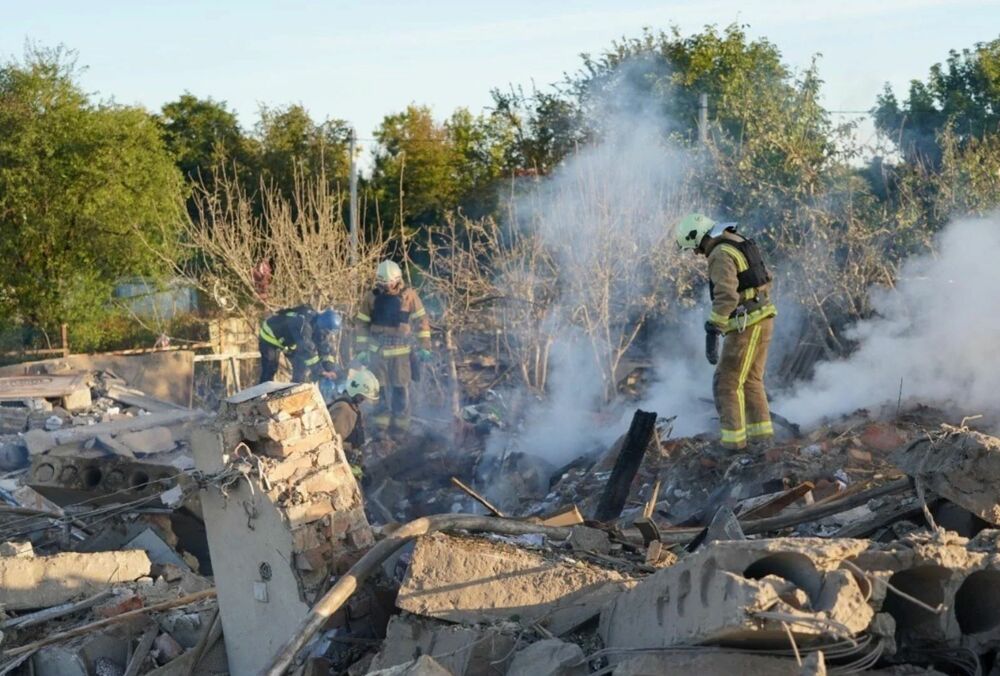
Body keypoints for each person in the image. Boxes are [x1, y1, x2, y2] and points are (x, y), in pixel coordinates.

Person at [675, 213, 777, 452]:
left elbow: (727, 295)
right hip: (760, 317)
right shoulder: (736, 240)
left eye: (696, 248)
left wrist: (715, 326)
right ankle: (761, 441)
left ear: (698, 238)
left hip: (747, 323)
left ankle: (733, 446)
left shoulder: (720, 253)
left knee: (726, 383)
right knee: (751, 381)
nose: (697, 253)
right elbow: (764, 277)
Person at [353, 260, 431, 436]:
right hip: (377, 353)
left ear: (397, 280)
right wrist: (362, 350)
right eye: (382, 283)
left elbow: (421, 321)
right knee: (378, 390)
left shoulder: (409, 296)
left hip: (401, 353)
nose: (386, 287)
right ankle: (380, 427)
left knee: (400, 390)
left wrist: (425, 346)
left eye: (389, 283)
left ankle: (399, 429)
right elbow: (361, 324)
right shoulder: (371, 297)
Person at [258, 305, 342, 384]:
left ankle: (294, 391)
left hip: (289, 341)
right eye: (327, 332)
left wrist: (330, 368)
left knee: (301, 367)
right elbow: (307, 349)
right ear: (322, 325)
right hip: (270, 335)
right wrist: (320, 371)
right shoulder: (304, 324)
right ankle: (262, 396)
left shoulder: (318, 325)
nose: (327, 335)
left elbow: (324, 348)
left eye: (329, 333)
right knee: (270, 369)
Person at [328, 368, 380, 462]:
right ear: (356, 391)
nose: (363, 401)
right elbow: (331, 441)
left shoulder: (351, 407)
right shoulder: (344, 409)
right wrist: (350, 452)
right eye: (362, 397)